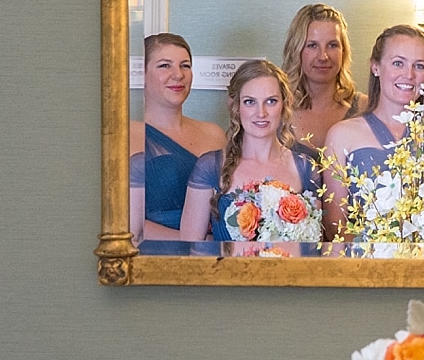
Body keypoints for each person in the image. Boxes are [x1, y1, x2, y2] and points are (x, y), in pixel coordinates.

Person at [321, 24, 424, 240]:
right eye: (398, 63)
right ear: (375, 67)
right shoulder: (341, 135)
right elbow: (335, 227)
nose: (409, 75)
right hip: (360, 267)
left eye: (419, 66)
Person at [179, 60, 320, 242]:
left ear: (285, 104)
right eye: (250, 102)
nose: (261, 113)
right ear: (236, 107)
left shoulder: (306, 168)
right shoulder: (210, 167)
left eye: (271, 101)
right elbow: (190, 249)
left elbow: (315, 246)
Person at [130, 33, 226, 241]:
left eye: (185, 65)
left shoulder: (214, 134)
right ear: (142, 74)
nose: (178, 75)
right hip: (155, 259)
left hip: (218, 260)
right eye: (165, 65)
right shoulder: (125, 135)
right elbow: (122, 222)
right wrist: (195, 242)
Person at [281, 4, 367, 155]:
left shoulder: (366, 109)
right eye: (312, 45)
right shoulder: (276, 111)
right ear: (296, 50)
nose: (323, 56)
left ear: (344, 51)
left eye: (332, 45)